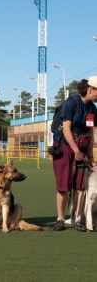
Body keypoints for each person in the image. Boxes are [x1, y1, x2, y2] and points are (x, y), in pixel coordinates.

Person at [52, 76, 97, 232]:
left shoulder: (92, 108)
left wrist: (90, 156)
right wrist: (76, 151)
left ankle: (77, 219)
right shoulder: (71, 103)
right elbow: (66, 129)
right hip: (65, 145)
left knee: (80, 185)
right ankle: (60, 219)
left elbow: (90, 131)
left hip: (82, 146)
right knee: (63, 185)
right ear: (91, 89)